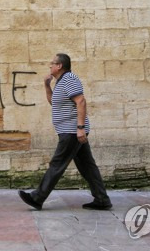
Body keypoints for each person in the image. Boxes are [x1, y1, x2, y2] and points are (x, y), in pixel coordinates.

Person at [18, 53, 112, 210]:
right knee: (88, 167)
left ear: (59, 66)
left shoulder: (69, 79)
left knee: (57, 164)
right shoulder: (61, 82)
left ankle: (37, 197)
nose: (50, 66)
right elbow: (53, 102)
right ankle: (102, 199)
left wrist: (80, 128)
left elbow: (80, 101)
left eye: (52, 63)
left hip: (72, 131)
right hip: (70, 131)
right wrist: (47, 85)